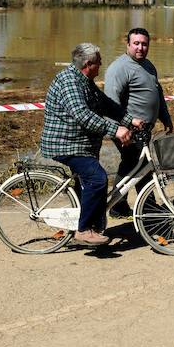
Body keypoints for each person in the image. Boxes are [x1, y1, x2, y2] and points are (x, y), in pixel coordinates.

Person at [40, 43, 143, 245]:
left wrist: (130, 120)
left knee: (86, 185)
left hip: (81, 143)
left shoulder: (84, 80)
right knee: (97, 179)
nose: (101, 64)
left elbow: (105, 104)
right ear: (88, 64)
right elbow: (84, 116)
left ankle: (91, 224)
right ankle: (84, 230)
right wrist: (116, 130)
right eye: (99, 62)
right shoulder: (69, 82)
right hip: (65, 144)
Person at [104, 27, 173, 218]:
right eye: (136, 43)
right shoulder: (119, 68)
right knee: (139, 166)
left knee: (134, 166)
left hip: (143, 130)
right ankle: (143, 208)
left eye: (144, 44)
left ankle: (123, 206)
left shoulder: (148, 65)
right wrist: (119, 129)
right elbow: (110, 103)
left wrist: (165, 117)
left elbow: (157, 93)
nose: (140, 48)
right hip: (125, 129)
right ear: (128, 44)